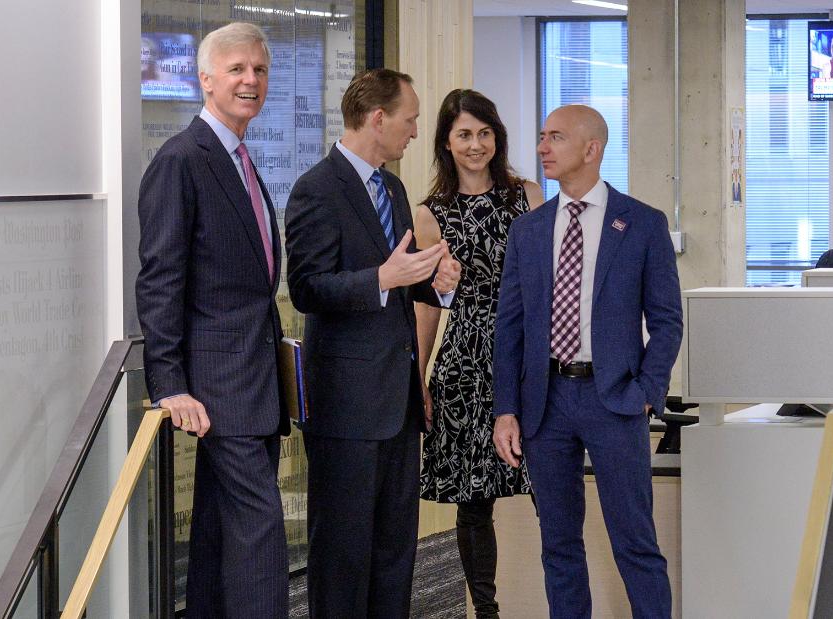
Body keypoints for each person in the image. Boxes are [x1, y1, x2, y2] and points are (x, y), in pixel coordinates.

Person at [492, 104, 683, 618]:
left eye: (555, 137)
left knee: (635, 543)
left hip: (615, 399)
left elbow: (667, 321)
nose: (542, 148)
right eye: (541, 136)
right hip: (544, 404)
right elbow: (509, 326)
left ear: (591, 149)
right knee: (558, 545)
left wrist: (648, 392)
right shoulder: (528, 231)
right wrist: (504, 409)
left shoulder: (642, 224)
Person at [284, 68, 462, 618]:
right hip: (345, 406)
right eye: (409, 120)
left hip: (398, 402)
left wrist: (433, 282)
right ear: (377, 118)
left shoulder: (392, 186)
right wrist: (382, 279)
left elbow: (397, 278)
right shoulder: (317, 188)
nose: (415, 132)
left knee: (394, 552)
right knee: (343, 554)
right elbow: (307, 289)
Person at [135, 22, 289, 618]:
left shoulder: (241, 158)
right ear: (205, 80)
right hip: (218, 387)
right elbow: (160, 279)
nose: (251, 80)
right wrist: (169, 383)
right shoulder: (182, 160)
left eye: (260, 70)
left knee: (221, 534)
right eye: (236, 69)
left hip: (254, 380)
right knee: (259, 534)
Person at [414, 88, 544, 619]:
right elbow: (427, 308)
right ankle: (484, 610)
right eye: (464, 134)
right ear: (446, 141)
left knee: (548, 484)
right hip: (465, 360)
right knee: (474, 501)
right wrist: (417, 377)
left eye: (485, 133)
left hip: (528, 353)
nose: (476, 144)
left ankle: (564, 594)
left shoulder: (529, 196)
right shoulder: (429, 214)